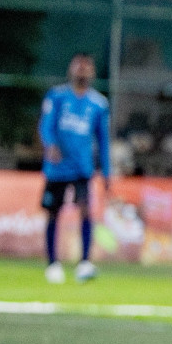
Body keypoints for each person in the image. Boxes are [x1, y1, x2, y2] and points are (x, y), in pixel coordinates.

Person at [39, 53, 110, 284]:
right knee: (53, 213)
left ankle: (84, 263)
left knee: (86, 211)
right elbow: (45, 126)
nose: (82, 69)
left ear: (92, 72)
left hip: (82, 167)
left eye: (86, 66)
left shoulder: (99, 104)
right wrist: (50, 145)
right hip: (57, 168)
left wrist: (107, 172)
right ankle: (52, 264)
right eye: (78, 65)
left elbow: (103, 140)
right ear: (71, 69)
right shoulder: (57, 97)